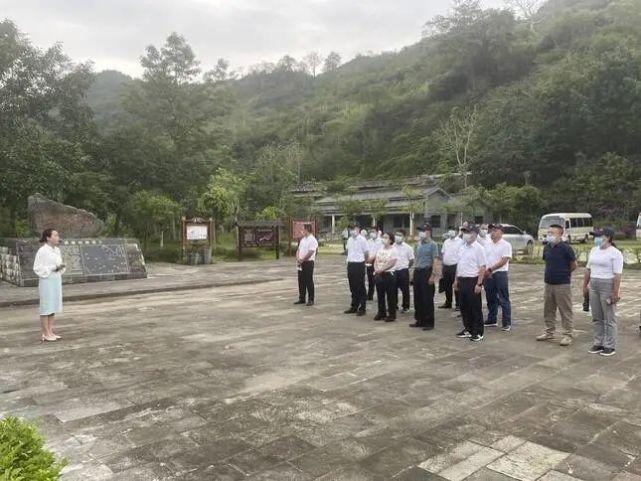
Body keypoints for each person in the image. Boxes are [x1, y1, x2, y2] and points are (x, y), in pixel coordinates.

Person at [583, 228, 623, 357]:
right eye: (595, 236)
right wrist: (585, 284)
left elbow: (617, 274)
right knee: (597, 317)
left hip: (607, 285)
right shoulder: (594, 250)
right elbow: (588, 269)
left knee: (609, 318)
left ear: (608, 238)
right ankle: (598, 343)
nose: (596, 239)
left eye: (599, 236)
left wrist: (615, 292)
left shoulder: (615, 253)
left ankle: (610, 346)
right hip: (594, 284)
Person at [537, 224, 577, 346]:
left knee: (565, 310)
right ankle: (549, 332)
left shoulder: (566, 248)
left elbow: (574, 265)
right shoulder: (547, 248)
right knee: (548, 309)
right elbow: (547, 262)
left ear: (560, 234)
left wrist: (564, 274)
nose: (549, 235)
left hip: (562, 284)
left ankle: (567, 334)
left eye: (552, 233)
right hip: (548, 283)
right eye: (548, 233)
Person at [453, 226, 487, 342]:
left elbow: (482, 267)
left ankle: (478, 332)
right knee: (463, 306)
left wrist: (479, 283)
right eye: (465, 232)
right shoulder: (462, 248)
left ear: (475, 234)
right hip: (462, 279)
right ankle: (468, 328)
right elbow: (459, 265)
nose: (466, 234)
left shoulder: (479, 249)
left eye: (469, 232)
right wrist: (456, 280)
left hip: (473, 280)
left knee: (475, 307)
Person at [33, 228, 66, 342]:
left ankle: (50, 331)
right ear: (48, 237)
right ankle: (45, 333)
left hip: (56, 279)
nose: (58, 238)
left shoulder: (57, 250)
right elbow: (37, 268)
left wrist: (60, 267)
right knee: (46, 306)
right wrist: (53, 268)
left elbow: (59, 264)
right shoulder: (42, 251)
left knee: (53, 305)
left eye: (58, 235)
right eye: (55, 235)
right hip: (47, 280)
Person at [410, 224, 441, 331]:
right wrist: (412, 274)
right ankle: (419, 320)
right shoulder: (418, 244)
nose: (420, 233)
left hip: (427, 271)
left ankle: (429, 322)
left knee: (427, 298)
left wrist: (433, 276)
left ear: (428, 232)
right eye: (420, 230)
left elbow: (435, 261)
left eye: (423, 230)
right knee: (417, 298)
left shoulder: (433, 245)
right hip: (418, 271)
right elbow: (416, 259)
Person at [483, 224, 513, 331]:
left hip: (500, 274)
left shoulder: (506, 245)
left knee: (503, 298)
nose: (493, 232)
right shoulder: (487, 244)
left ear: (501, 232)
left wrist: (491, 269)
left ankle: (507, 322)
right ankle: (492, 319)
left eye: (495, 230)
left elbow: (504, 260)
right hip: (488, 274)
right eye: (492, 230)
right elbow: (484, 259)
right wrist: (486, 271)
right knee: (490, 298)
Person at [344, 222, 370, 316]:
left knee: (360, 286)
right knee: (352, 286)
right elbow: (348, 251)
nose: (352, 231)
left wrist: (365, 262)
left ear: (358, 229)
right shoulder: (349, 239)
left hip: (359, 264)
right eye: (350, 229)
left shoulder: (362, 240)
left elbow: (366, 253)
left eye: (353, 228)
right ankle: (354, 306)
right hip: (351, 264)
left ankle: (362, 307)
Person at [373, 232, 399, 322]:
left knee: (390, 295)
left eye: (386, 237)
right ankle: (381, 312)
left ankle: (392, 314)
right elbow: (376, 260)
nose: (383, 239)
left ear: (390, 240)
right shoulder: (380, 249)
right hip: (379, 274)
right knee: (380, 295)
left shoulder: (393, 250)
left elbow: (392, 262)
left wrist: (382, 269)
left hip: (389, 274)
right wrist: (376, 269)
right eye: (383, 237)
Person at [294, 224, 318, 306]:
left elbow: (311, 252)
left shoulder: (313, 240)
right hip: (300, 262)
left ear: (307, 229)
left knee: (309, 280)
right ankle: (302, 298)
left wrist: (303, 259)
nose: (302, 231)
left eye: (303, 229)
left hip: (308, 262)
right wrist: (298, 258)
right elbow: (298, 250)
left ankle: (311, 299)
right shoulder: (303, 240)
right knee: (301, 280)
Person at [440, 227, 462, 310]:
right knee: (447, 286)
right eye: (449, 230)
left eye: (452, 230)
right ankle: (448, 302)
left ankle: (458, 304)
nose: (450, 232)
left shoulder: (460, 242)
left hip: (455, 266)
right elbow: (443, 253)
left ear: (456, 231)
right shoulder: (446, 241)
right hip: (446, 266)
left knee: (456, 285)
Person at [393, 229, 415, 313]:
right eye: (396, 235)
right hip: (393, 270)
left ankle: (405, 306)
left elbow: (411, 260)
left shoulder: (408, 248)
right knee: (393, 289)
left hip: (403, 271)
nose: (397, 237)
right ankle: (394, 305)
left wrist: (406, 267)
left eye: (400, 235)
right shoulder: (392, 246)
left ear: (404, 237)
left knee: (405, 290)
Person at [366, 230, 382, 301]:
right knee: (370, 279)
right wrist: (368, 258)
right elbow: (367, 251)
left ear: (377, 232)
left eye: (373, 232)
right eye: (371, 231)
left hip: (378, 262)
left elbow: (380, 251)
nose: (372, 233)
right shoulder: (368, 241)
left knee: (378, 279)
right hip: (369, 262)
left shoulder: (381, 241)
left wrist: (373, 258)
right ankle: (370, 295)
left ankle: (380, 295)